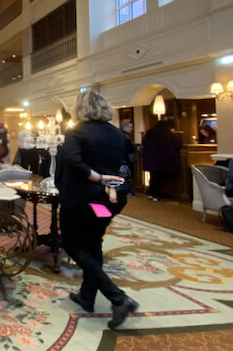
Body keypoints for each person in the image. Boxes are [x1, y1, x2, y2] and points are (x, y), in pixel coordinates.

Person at [56, 89, 138, 329]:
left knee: (72, 244)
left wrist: (98, 177)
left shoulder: (76, 132)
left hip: (81, 200)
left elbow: (74, 162)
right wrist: (112, 182)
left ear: (81, 109)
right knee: (94, 242)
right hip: (108, 202)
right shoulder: (119, 135)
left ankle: (118, 297)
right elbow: (127, 166)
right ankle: (87, 297)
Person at [141, 119, 183, 201]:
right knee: (158, 178)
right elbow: (178, 143)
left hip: (150, 159)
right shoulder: (167, 134)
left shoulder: (150, 133)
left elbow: (144, 142)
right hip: (162, 160)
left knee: (153, 176)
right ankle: (156, 195)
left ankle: (151, 193)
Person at [119, 120, 137, 197]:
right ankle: (127, 192)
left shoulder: (119, 135)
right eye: (130, 127)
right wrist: (132, 161)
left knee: (124, 177)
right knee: (126, 177)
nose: (131, 129)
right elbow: (130, 151)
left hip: (122, 160)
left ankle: (125, 191)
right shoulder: (126, 137)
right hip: (126, 160)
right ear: (125, 127)